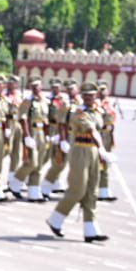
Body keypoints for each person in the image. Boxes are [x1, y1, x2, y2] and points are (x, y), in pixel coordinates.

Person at [47, 84, 110, 243]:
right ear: (82, 96)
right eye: (86, 96)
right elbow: (92, 131)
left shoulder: (97, 111)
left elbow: (103, 129)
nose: (89, 98)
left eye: (92, 95)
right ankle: (55, 219)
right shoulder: (78, 112)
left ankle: (91, 230)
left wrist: (100, 151)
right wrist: (102, 148)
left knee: (91, 191)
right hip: (80, 150)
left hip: (93, 151)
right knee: (78, 189)